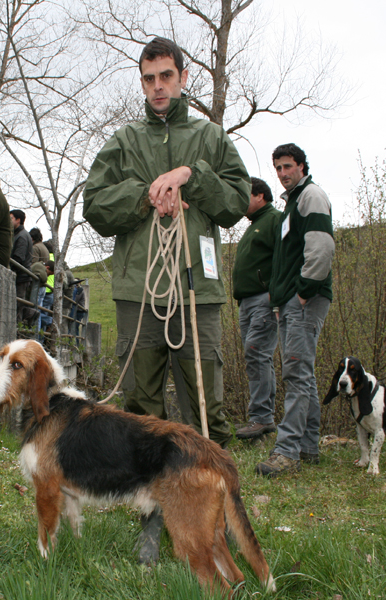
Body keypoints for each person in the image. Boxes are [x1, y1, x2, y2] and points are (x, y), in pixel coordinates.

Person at [83, 37, 250, 563]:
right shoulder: (124, 140)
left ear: (182, 77)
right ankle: (153, 518)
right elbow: (94, 204)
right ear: (142, 81)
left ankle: (214, 512)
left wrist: (190, 177)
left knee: (207, 406)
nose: (158, 87)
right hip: (139, 291)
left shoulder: (211, 137)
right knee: (143, 411)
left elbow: (237, 201)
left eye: (166, 76)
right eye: (148, 78)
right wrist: (144, 192)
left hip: (197, 291)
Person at [255, 143, 334, 478]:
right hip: (289, 301)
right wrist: (279, 301)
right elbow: (286, 257)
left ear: (302, 166)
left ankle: (286, 452)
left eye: (288, 167)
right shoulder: (291, 205)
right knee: (304, 374)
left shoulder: (311, 196)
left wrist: (303, 292)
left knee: (296, 374)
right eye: (278, 168)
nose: (282, 174)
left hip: (305, 299)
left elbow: (322, 248)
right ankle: (308, 446)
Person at [232, 177, 283, 440]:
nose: (241, 202)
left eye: (245, 195)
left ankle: (262, 418)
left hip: (265, 298)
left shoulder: (274, 219)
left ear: (260, 195)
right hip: (248, 302)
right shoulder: (254, 225)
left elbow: (284, 257)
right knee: (254, 355)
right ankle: (260, 419)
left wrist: (275, 297)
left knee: (257, 351)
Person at [10, 209, 32, 321]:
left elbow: (18, 258)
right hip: (20, 276)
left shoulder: (22, 236)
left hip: (21, 277)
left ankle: (18, 331)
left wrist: (9, 269)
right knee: (17, 305)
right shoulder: (19, 234)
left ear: (18, 220)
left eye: (11, 218)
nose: (9, 221)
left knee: (17, 306)